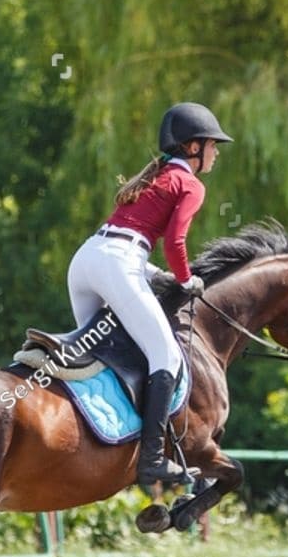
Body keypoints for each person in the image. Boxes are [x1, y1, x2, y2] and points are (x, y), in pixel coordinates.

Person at [65, 101, 232, 485]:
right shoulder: (191, 183)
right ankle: (153, 459)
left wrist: (159, 276)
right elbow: (175, 241)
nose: (216, 152)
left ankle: (101, 445)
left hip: (87, 260)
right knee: (166, 356)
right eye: (212, 145)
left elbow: (129, 242)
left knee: (105, 354)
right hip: (118, 265)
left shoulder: (157, 176)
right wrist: (186, 279)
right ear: (193, 148)